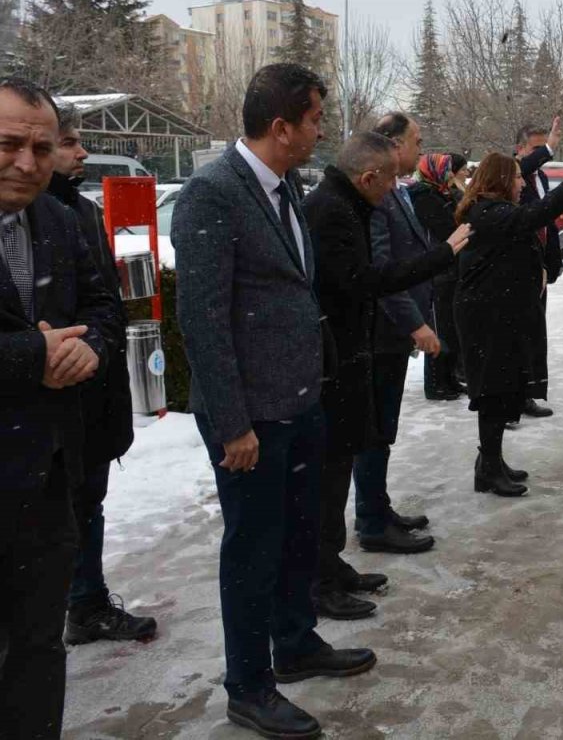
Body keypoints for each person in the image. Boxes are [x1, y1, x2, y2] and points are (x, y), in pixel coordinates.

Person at [173, 63, 375, 740]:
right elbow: (201, 320)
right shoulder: (213, 194)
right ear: (281, 126)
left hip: (299, 401)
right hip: (249, 418)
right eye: (315, 118)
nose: (323, 129)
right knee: (253, 548)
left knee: (297, 534)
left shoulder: (287, 186)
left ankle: (294, 643)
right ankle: (248, 686)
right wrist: (233, 424)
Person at [304, 130, 468, 611]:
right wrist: (443, 255)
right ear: (369, 175)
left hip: (352, 350)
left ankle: (331, 566)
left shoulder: (347, 203)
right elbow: (366, 280)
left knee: (349, 455)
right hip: (345, 354)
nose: (396, 187)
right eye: (392, 179)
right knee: (336, 467)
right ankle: (322, 579)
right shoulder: (334, 210)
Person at [0, 77, 119, 740]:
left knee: (40, 649)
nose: (27, 162)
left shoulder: (60, 219)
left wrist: (90, 351)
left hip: (46, 479)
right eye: (9, 144)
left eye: (41, 148)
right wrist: (32, 357)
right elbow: (32, 348)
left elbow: (101, 308)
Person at [47, 105, 156, 645]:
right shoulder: (29, 218)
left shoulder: (82, 213)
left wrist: (97, 344)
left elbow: (104, 300)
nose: (81, 152)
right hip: (46, 405)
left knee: (88, 503)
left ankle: (86, 603)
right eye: (68, 143)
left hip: (95, 393)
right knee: (49, 518)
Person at [455, 144, 563, 497]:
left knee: (504, 387)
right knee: (492, 391)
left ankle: (492, 462)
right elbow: (532, 217)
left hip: (501, 313)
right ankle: (488, 467)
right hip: (487, 317)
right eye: (516, 178)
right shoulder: (488, 213)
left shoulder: (496, 210)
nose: (521, 184)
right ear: (500, 180)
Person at [352, 115, 450, 557]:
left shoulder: (401, 193)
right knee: (372, 430)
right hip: (380, 333)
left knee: (383, 428)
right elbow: (381, 272)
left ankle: (379, 506)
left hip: (392, 333)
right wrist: (414, 322)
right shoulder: (378, 198)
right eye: (416, 141)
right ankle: (371, 521)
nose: (421, 147)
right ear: (393, 145)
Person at [513, 119, 563, 423]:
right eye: (535, 149)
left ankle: (528, 394)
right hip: (516, 271)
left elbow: (547, 219)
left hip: (539, 270)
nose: (541, 157)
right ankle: (510, 402)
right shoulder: (509, 174)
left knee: (535, 335)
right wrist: (549, 146)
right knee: (516, 338)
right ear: (520, 149)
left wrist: (552, 260)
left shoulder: (541, 177)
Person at [410, 152, 468, 399]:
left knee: (450, 327)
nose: (453, 175)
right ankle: (436, 383)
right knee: (440, 327)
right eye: (448, 170)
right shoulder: (425, 196)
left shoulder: (442, 193)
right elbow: (446, 228)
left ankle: (449, 378)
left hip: (449, 267)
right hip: (438, 270)